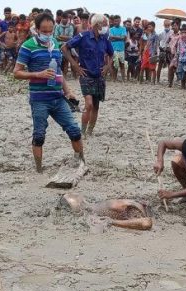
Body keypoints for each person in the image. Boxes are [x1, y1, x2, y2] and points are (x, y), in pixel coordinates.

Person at [13, 13, 83, 173]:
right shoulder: (28, 46)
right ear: (37, 29)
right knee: (39, 135)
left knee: (74, 131)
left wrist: (68, 91)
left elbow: (58, 71)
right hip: (39, 100)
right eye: (44, 30)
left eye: (50, 30)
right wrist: (37, 74)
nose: (47, 34)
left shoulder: (55, 44)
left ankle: (81, 162)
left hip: (58, 98)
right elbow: (16, 73)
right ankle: (39, 169)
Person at [62, 14, 113, 137]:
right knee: (88, 104)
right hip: (86, 74)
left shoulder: (104, 39)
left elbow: (111, 54)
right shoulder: (83, 36)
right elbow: (64, 48)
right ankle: (82, 131)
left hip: (99, 76)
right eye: (105, 24)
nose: (107, 26)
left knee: (95, 106)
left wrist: (107, 66)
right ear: (98, 24)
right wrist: (75, 65)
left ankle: (89, 131)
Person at [54, 12, 75, 76]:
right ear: (61, 18)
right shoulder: (57, 26)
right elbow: (55, 37)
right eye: (63, 18)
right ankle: (59, 75)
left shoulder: (70, 27)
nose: (64, 19)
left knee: (66, 61)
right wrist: (65, 38)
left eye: (65, 18)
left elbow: (71, 38)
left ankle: (65, 76)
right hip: (58, 45)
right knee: (58, 61)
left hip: (67, 46)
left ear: (68, 19)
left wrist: (61, 36)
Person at [109, 15, 127, 82]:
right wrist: (120, 37)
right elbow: (111, 38)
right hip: (114, 49)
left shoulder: (123, 28)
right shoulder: (111, 29)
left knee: (122, 64)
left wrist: (115, 37)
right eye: (116, 21)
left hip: (121, 49)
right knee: (114, 65)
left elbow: (124, 37)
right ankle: (114, 79)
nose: (117, 22)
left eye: (119, 21)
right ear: (113, 21)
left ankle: (123, 79)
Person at [157, 19, 171, 84]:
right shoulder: (161, 33)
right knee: (159, 65)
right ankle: (157, 80)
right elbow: (157, 41)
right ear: (163, 25)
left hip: (168, 51)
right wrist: (159, 48)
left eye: (168, 25)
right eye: (166, 25)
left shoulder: (172, 32)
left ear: (170, 25)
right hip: (162, 50)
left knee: (169, 66)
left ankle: (169, 80)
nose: (167, 27)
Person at [167, 20, 180, 87]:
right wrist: (168, 47)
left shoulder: (180, 35)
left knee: (172, 68)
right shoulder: (171, 34)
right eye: (173, 26)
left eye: (175, 25)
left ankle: (176, 80)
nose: (173, 27)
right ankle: (170, 82)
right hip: (170, 54)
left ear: (178, 26)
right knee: (171, 68)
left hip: (177, 55)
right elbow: (167, 42)